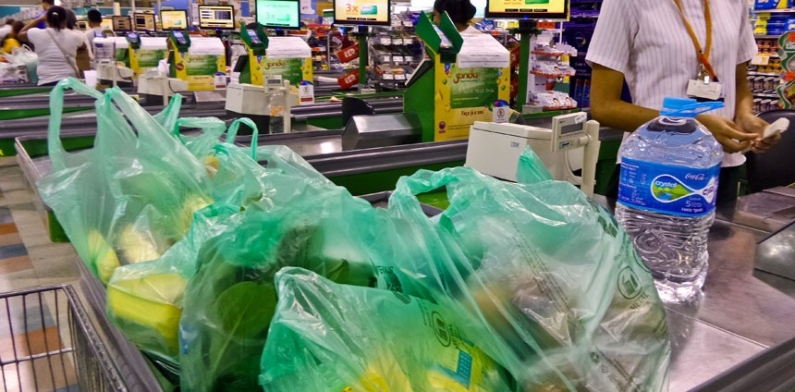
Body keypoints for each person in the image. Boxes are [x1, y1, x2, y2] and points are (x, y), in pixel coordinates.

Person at [586, 0, 782, 202]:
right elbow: (604, 107)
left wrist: (745, 115)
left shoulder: (734, 3)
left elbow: (740, 84)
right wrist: (692, 126)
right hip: (654, 171)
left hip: (722, 169)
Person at [19, 6, 84, 86]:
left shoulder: (36, 34)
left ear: (47, 20)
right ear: (65, 20)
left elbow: (20, 34)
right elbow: (83, 46)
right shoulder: (75, 36)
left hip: (46, 81)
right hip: (69, 82)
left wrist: (38, 19)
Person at [66, 9, 92, 77]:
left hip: (71, 74)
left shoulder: (64, 35)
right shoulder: (81, 34)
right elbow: (90, 56)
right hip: (83, 72)